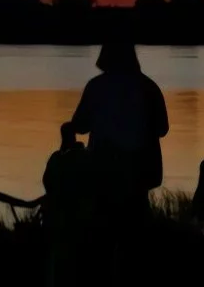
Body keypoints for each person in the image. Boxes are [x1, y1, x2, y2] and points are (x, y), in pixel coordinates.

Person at [68, 37, 170, 235]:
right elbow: (162, 129)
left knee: (104, 222)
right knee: (136, 224)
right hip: (140, 168)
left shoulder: (96, 86)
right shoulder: (149, 87)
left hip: (104, 166)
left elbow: (80, 125)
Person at [43, 122, 98, 287]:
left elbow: (48, 184)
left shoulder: (58, 158)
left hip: (66, 216)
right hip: (76, 215)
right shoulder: (85, 157)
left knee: (62, 256)